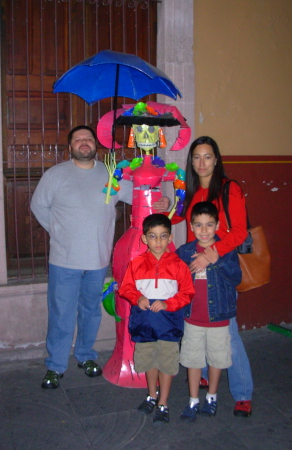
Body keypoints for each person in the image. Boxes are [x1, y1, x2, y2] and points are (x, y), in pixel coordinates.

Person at [30, 125, 170, 389]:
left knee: (90, 312)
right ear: (70, 147)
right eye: (78, 140)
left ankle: (85, 356)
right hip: (64, 260)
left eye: (89, 139)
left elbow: (140, 194)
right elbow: (38, 205)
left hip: (97, 260)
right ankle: (56, 366)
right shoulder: (56, 175)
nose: (84, 143)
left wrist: (162, 202)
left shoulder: (111, 174)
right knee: (61, 315)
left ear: (96, 145)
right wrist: (57, 230)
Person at [181, 135, 253, 417]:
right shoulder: (192, 190)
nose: (201, 162)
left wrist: (213, 253)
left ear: (216, 159)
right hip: (195, 270)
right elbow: (180, 217)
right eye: (196, 157)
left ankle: (243, 392)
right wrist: (167, 205)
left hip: (219, 270)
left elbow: (239, 232)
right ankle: (204, 375)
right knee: (196, 326)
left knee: (228, 333)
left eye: (207, 156)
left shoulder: (228, 188)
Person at [118, 214, 194, 424]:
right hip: (144, 324)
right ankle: (151, 395)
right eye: (153, 236)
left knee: (167, 363)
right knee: (149, 360)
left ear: (170, 238)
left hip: (169, 324)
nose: (158, 241)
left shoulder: (179, 265)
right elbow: (126, 288)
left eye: (163, 236)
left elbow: (187, 292)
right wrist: (138, 297)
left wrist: (169, 303)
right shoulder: (137, 263)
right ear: (144, 239)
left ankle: (163, 402)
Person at [177, 202, 242, 422]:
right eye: (198, 225)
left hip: (219, 318)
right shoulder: (186, 251)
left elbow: (236, 278)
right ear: (192, 227)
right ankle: (193, 400)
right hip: (192, 317)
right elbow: (172, 274)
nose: (204, 231)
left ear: (217, 226)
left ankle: (212, 397)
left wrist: (218, 262)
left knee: (217, 359)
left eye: (209, 225)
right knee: (193, 360)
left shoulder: (225, 250)